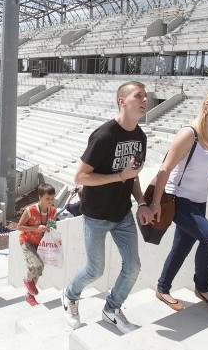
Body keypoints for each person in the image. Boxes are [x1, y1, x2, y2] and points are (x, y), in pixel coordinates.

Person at [61, 81, 154, 334]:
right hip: (96, 216)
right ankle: (69, 295)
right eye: (138, 95)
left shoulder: (140, 137)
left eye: (146, 95)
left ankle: (112, 309)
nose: (145, 99)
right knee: (95, 270)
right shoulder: (104, 136)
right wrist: (119, 177)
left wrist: (142, 203)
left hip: (123, 213)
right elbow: (79, 177)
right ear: (122, 101)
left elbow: (133, 175)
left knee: (133, 266)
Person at [150, 89, 208, 312]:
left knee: (181, 248)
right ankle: (202, 286)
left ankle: (162, 288)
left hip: (199, 201)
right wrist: (156, 202)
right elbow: (165, 169)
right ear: (206, 108)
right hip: (177, 199)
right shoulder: (189, 134)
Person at [16, 183, 57, 306]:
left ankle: (30, 295)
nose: (51, 201)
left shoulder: (53, 210)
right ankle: (27, 280)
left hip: (41, 243)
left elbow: (52, 224)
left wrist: (49, 227)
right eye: (47, 198)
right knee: (37, 266)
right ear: (40, 197)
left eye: (52, 198)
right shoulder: (30, 210)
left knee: (38, 270)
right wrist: (36, 228)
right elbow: (19, 227)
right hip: (27, 241)